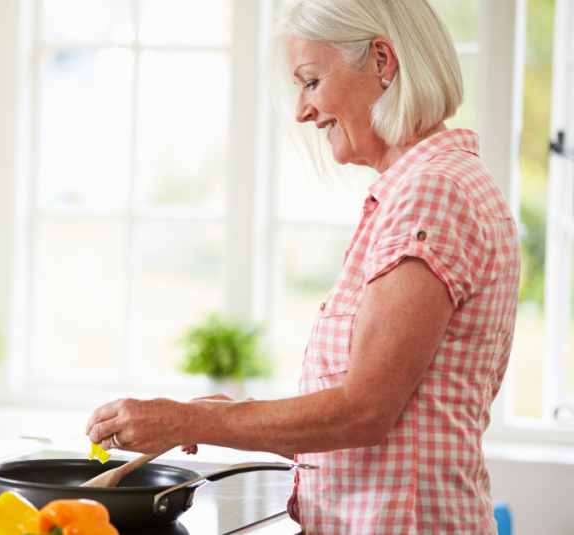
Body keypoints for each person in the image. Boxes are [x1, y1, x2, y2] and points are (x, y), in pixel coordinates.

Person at [84, 0, 521, 533]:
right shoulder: (439, 182)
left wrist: (191, 420)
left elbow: (364, 410)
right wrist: (229, 416)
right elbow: (385, 410)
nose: (301, 110)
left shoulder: (430, 193)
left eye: (311, 81)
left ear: (383, 61)